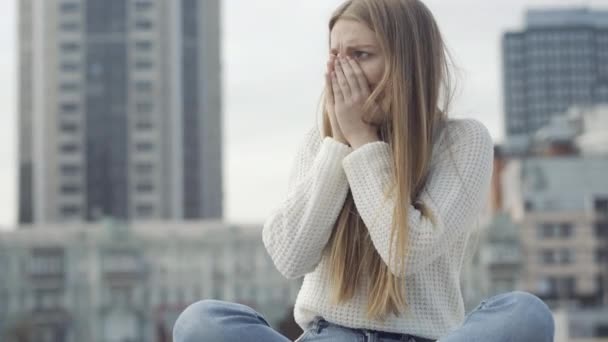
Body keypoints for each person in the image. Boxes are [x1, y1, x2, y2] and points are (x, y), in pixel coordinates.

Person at [172, 0, 555, 341]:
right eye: (336, 55)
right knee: (200, 322)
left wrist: (363, 141)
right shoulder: (318, 142)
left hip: (421, 336)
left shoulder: (462, 141)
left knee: (525, 313)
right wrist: (338, 148)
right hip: (328, 335)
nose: (343, 71)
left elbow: (406, 253)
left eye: (360, 55)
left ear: (407, 63)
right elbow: (290, 257)